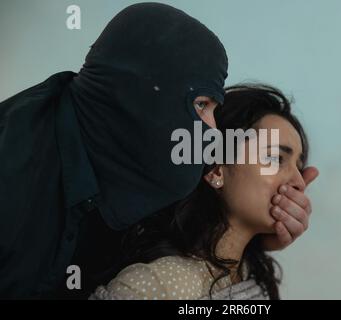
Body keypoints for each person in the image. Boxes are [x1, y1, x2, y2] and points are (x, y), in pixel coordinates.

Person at [0, 3, 318, 299]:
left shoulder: (127, 189)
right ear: (217, 170)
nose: (211, 131)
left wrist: (255, 244)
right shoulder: (15, 179)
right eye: (201, 105)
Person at [90, 84, 318, 300]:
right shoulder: (159, 285)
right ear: (216, 170)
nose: (298, 181)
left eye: (298, 167)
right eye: (275, 158)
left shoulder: (251, 275)